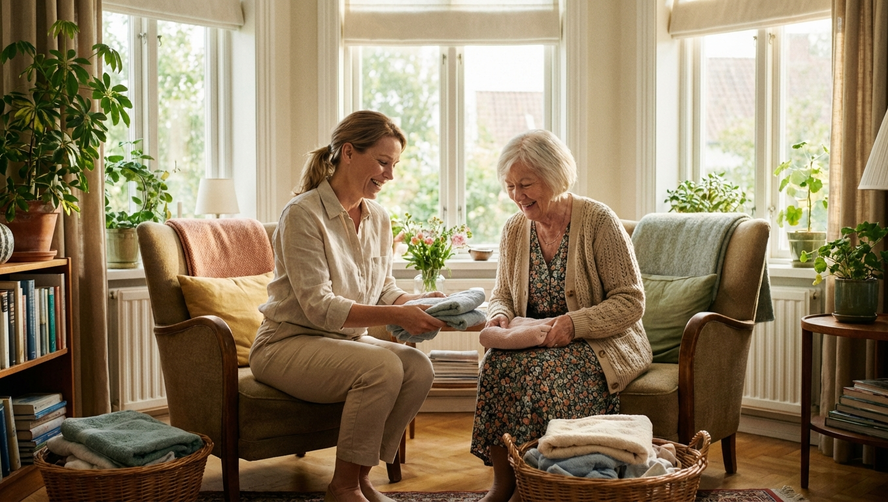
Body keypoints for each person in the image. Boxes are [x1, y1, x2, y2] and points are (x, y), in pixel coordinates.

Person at [249, 110, 447, 502]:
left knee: (418, 367)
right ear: (349, 152)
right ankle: (341, 487)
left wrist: (420, 303)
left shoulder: (379, 218)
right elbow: (320, 307)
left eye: (394, 165)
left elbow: (384, 288)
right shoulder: (303, 214)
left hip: (343, 344)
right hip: (285, 344)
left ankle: (360, 477)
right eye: (383, 162)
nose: (390, 175)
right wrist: (397, 315)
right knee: (384, 365)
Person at [470, 129, 653, 502]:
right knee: (495, 365)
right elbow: (502, 294)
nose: (517, 197)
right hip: (534, 339)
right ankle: (504, 483)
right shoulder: (514, 229)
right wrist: (501, 316)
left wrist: (575, 324)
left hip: (600, 342)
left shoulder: (599, 221)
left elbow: (631, 301)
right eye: (509, 186)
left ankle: (540, 484)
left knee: (539, 372)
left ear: (554, 176)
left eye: (526, 184)